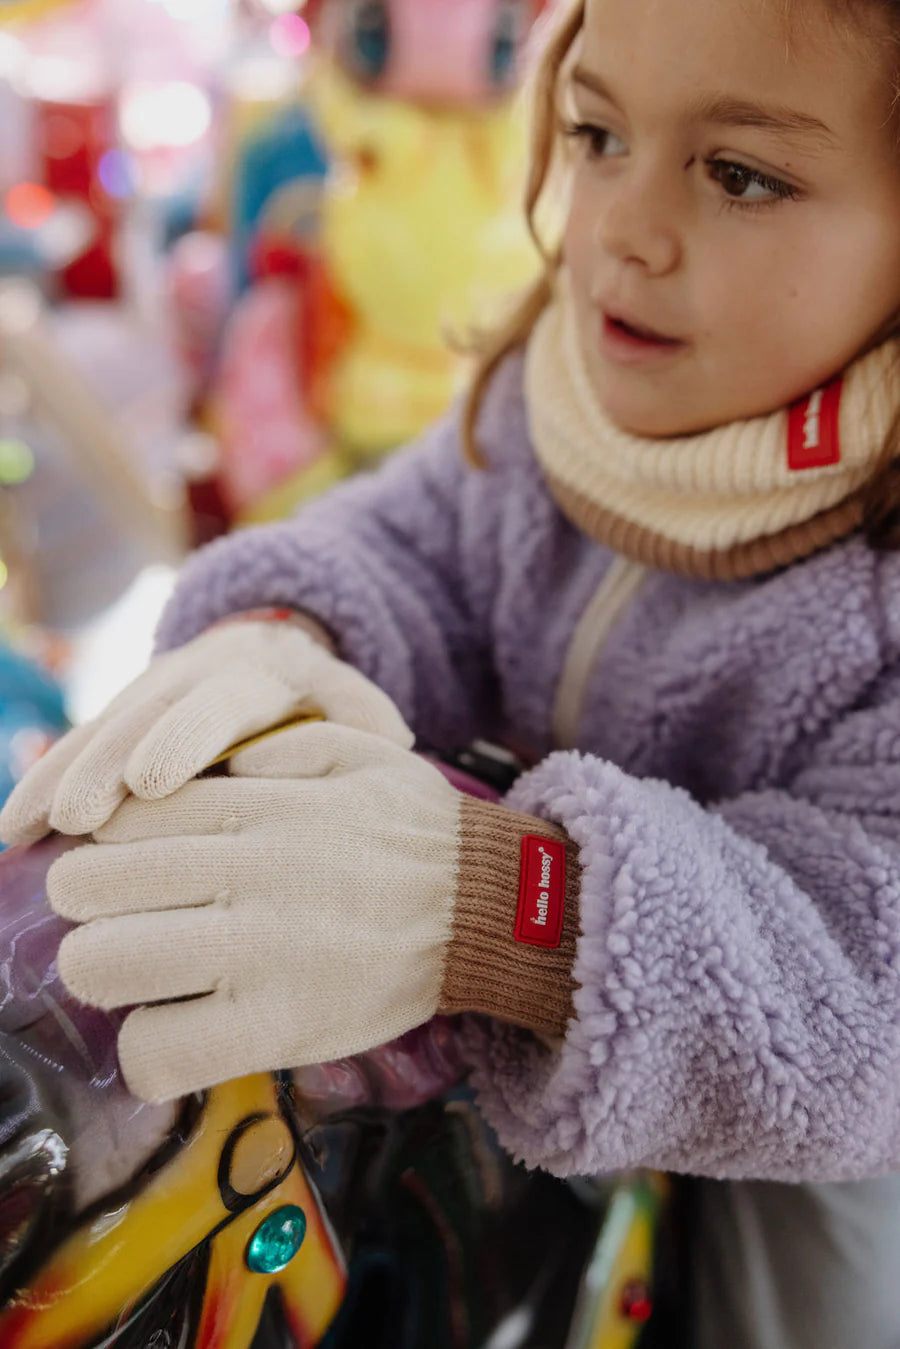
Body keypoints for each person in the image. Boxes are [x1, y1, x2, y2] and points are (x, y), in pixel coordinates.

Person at [5, 0, 900, 1342]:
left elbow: (862, 996)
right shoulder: (554, 391)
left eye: (739, 174)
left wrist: (515, 904)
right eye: (597, 133)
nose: (620, 231)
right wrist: (291, 629)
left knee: (813, 1300)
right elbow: (411, 536)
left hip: (781, 1106)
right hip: (467, 1019)